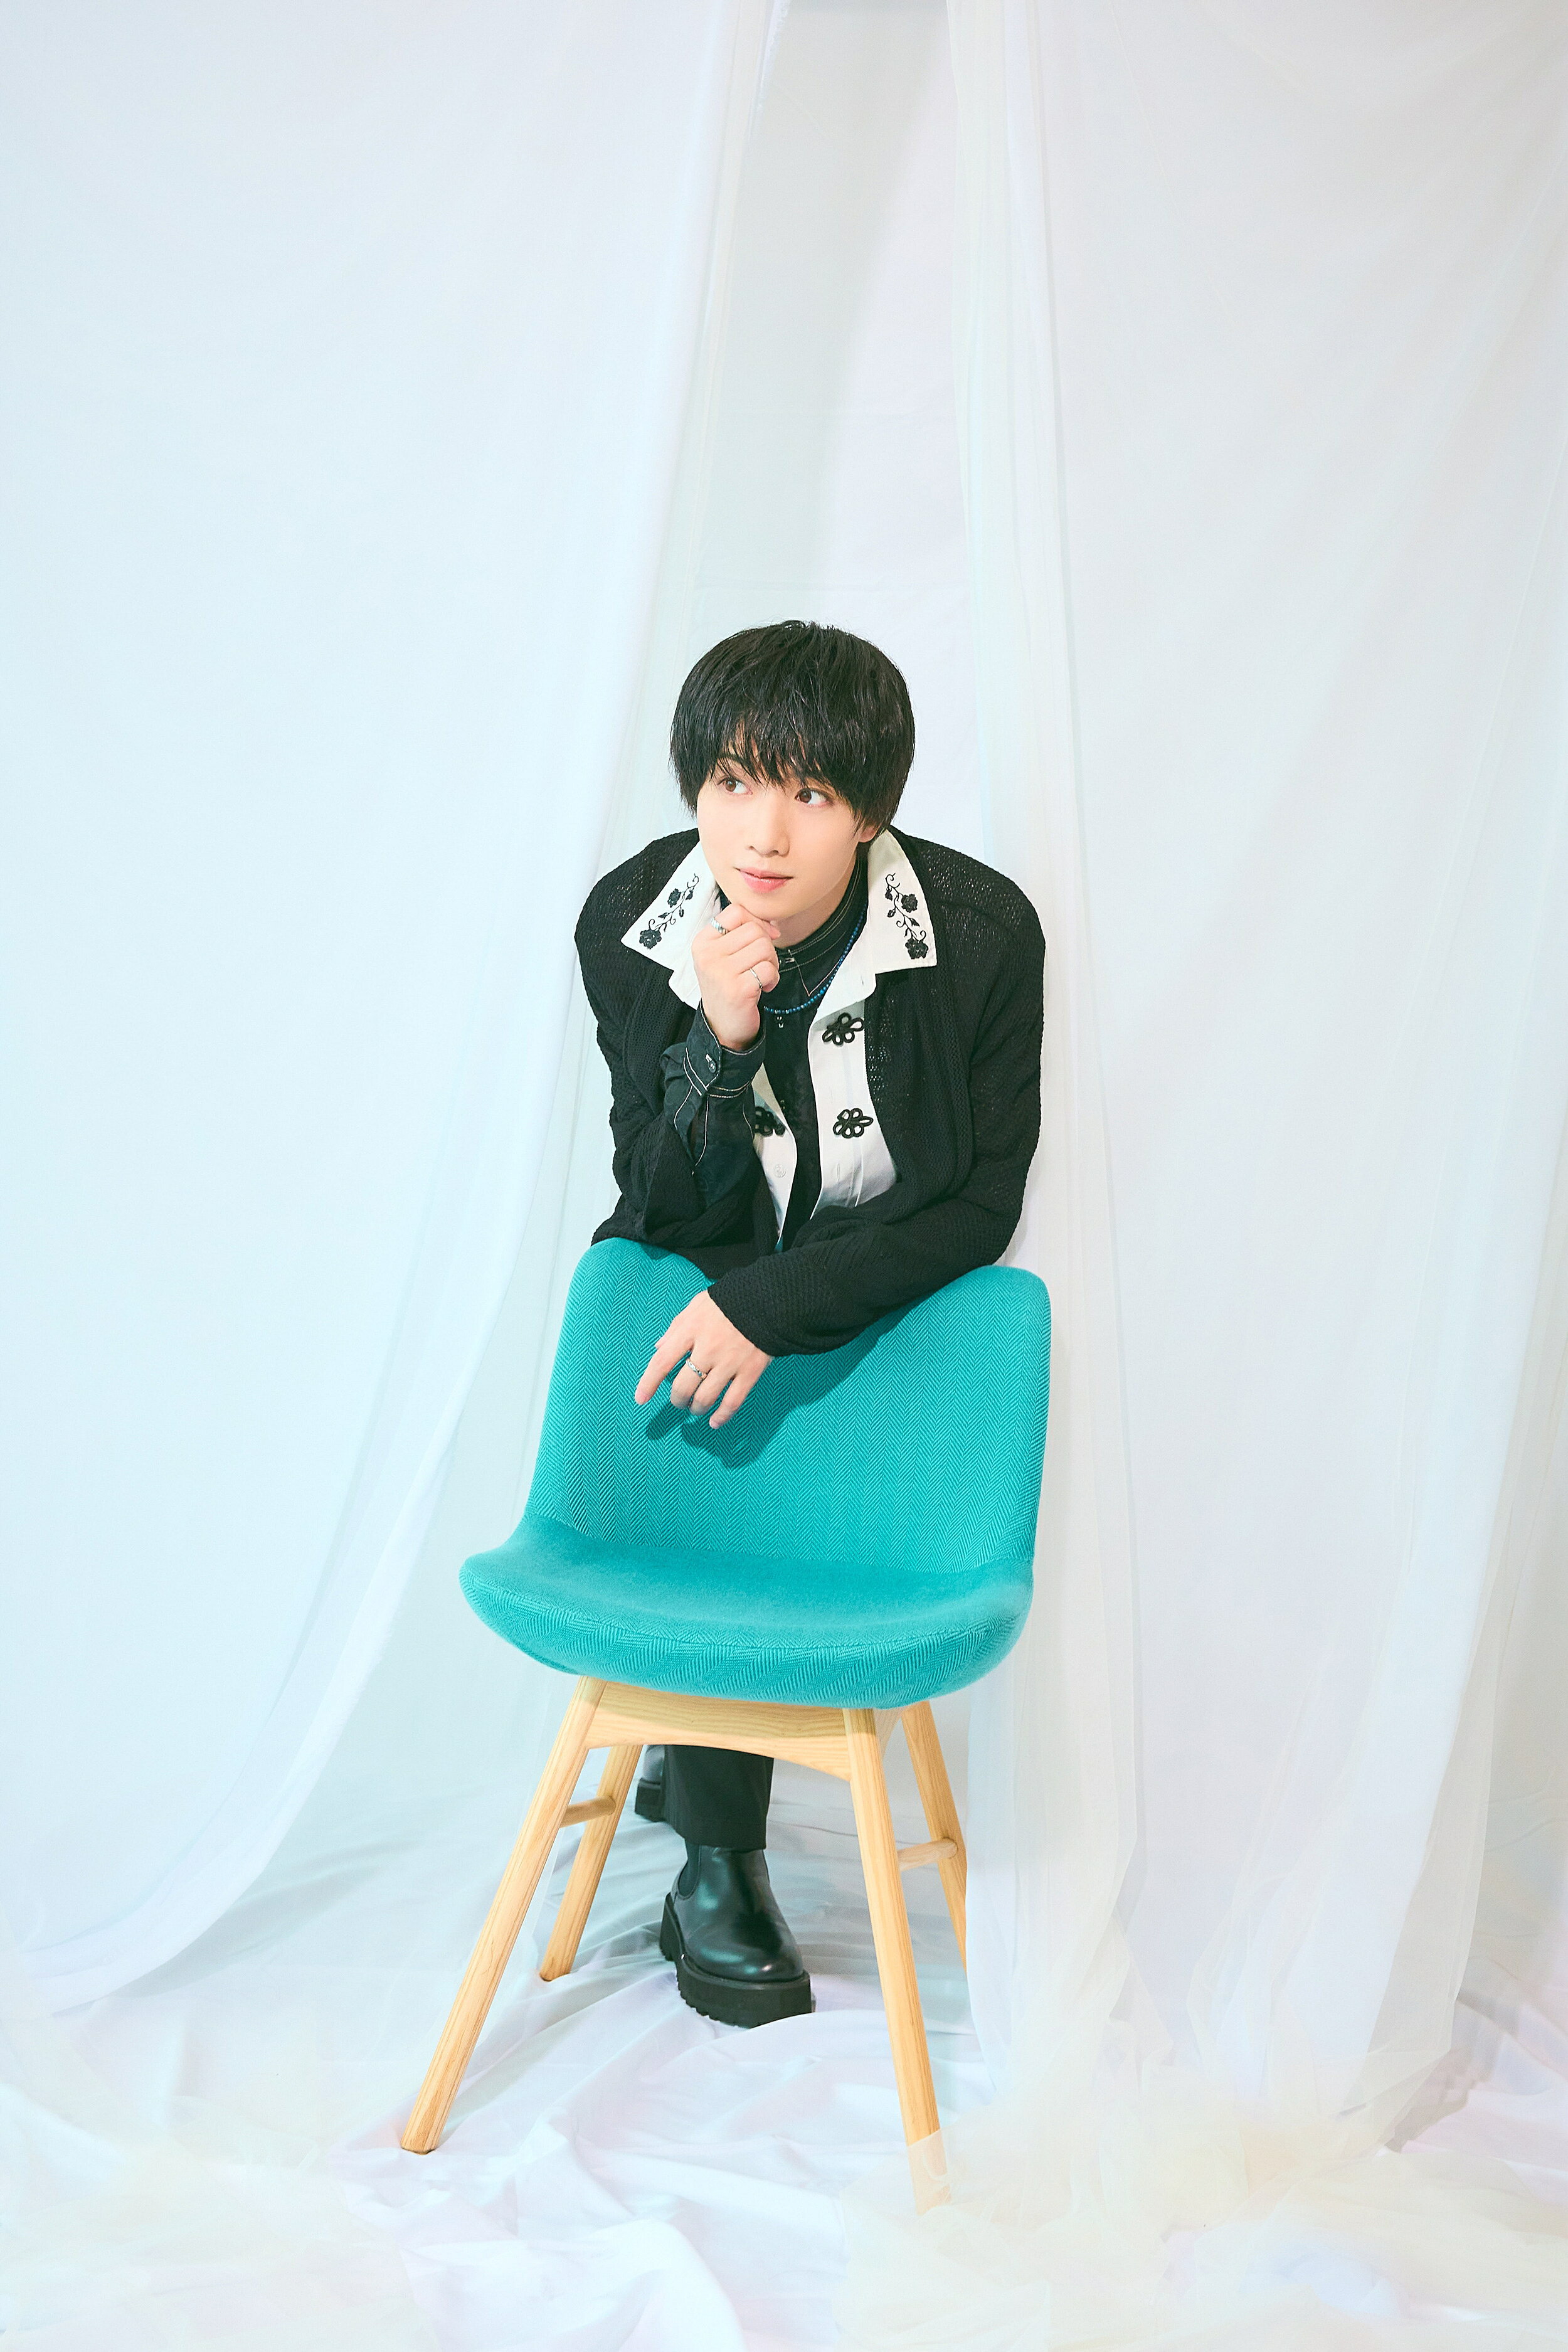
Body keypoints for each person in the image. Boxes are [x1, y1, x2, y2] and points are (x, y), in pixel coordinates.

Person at [574, 620, 1044, 2027]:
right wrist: (715, 1043)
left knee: (753, 1375)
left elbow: (979, 1207)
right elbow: (659, 1204)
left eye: (809, 793)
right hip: (699, 1284)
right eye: (730, 783)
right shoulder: (630, 921)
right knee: (705, 1384)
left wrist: (774, 1307)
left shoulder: (979, 937)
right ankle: (716, 1858)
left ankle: (696, 1766)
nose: (760, 835)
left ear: (873, 808)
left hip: (883, 1305)